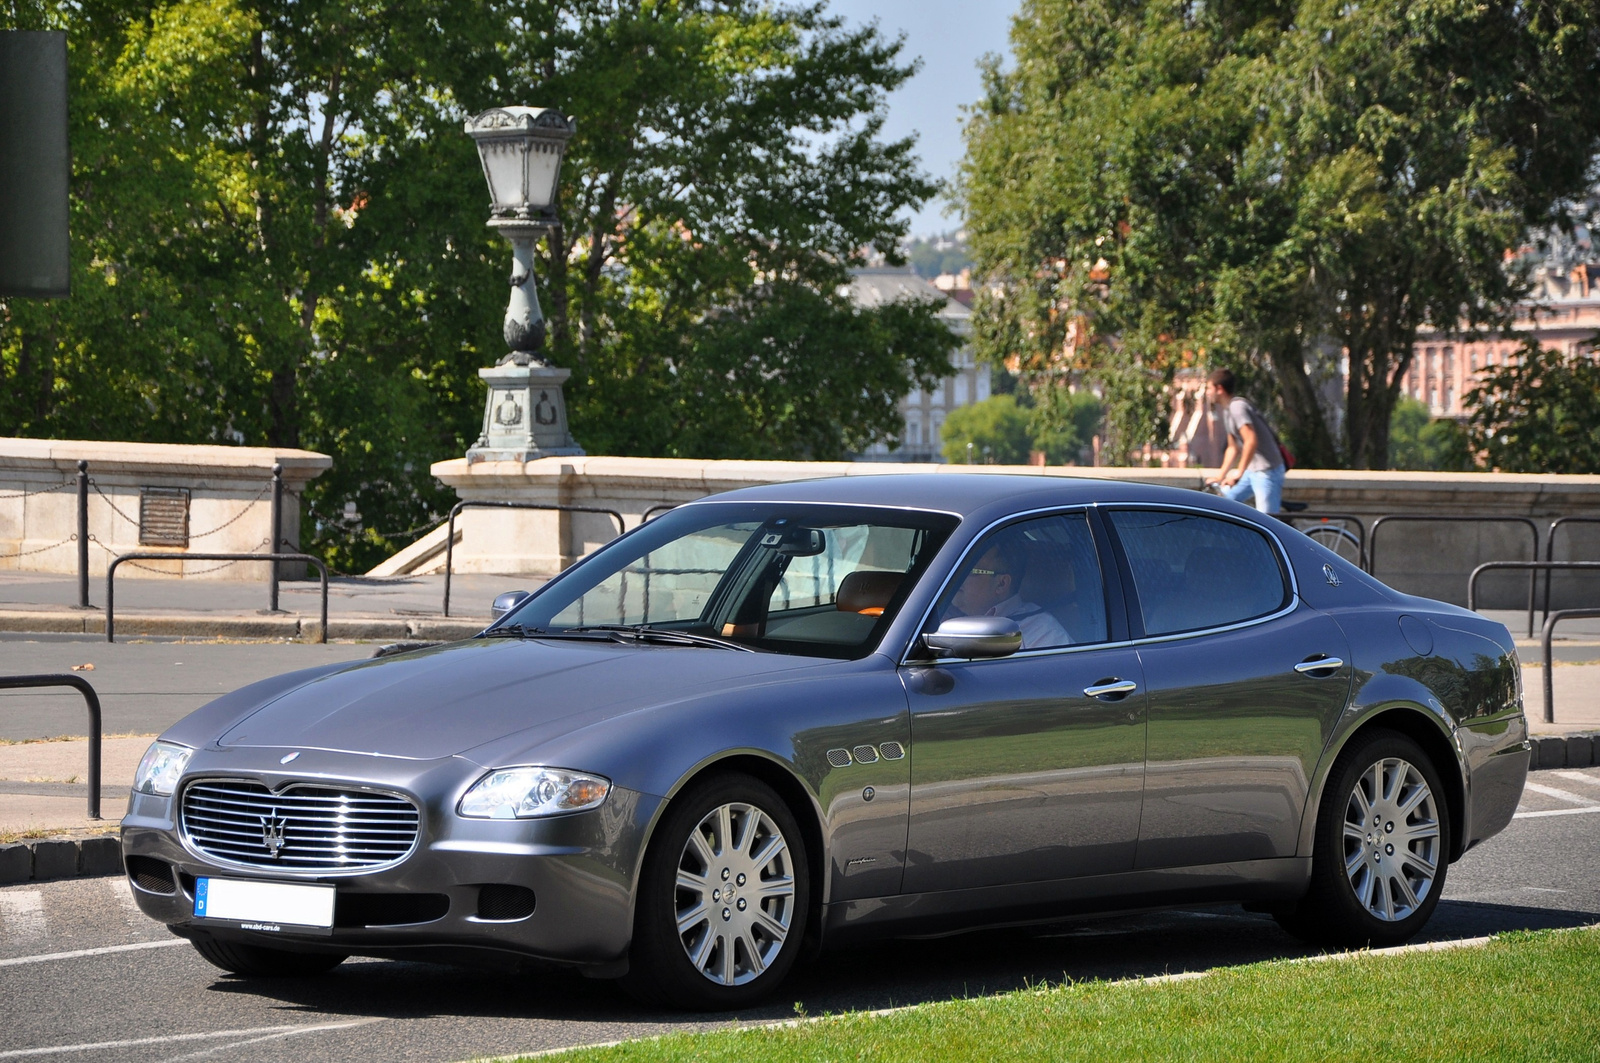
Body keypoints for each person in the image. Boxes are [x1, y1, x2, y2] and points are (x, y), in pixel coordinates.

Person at [946, 536, 1070, 650]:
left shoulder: (1042, 633)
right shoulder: (936, 613)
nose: (958, 577)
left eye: (971, 571)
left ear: (1002, 584)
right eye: (958, 568)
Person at [1205, 368, 1286, 514]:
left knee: (1267, 520)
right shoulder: (1227, 411)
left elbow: (1251, 440)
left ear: (1219, 389)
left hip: (1267, 471)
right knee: (1224, 503)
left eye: (1208, 388)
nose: (1207, 393)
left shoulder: (1238, 407)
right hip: (1252, 471)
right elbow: (1232, 448)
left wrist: (1238, 472)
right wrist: (1220, 476)